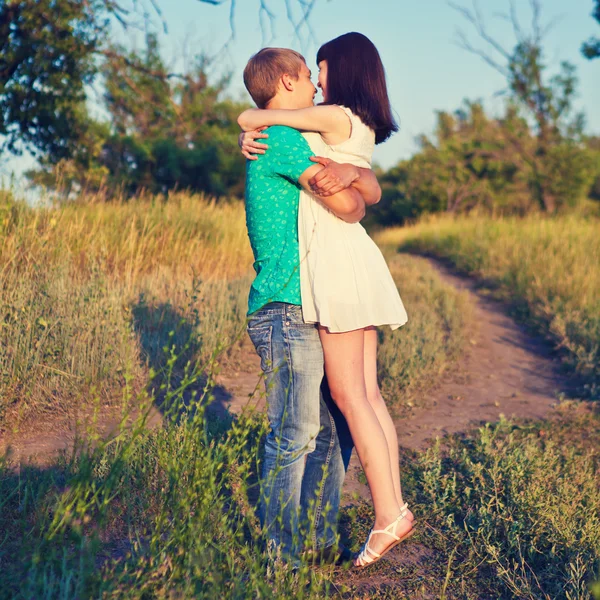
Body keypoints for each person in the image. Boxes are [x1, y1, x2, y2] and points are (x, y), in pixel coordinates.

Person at [239, 33, 415, 568]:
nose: (317, 81)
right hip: (334, 269)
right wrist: (357, 178)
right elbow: (364, 197)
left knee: (345, 403)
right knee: (357, 400)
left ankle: (383, 515)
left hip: (333, 266)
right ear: (289, 81)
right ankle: (379, 515)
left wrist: (254, 124)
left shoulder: (317, 123)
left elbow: (352, 205)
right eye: (309, 73)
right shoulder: (308, 131)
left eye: (322, 69)